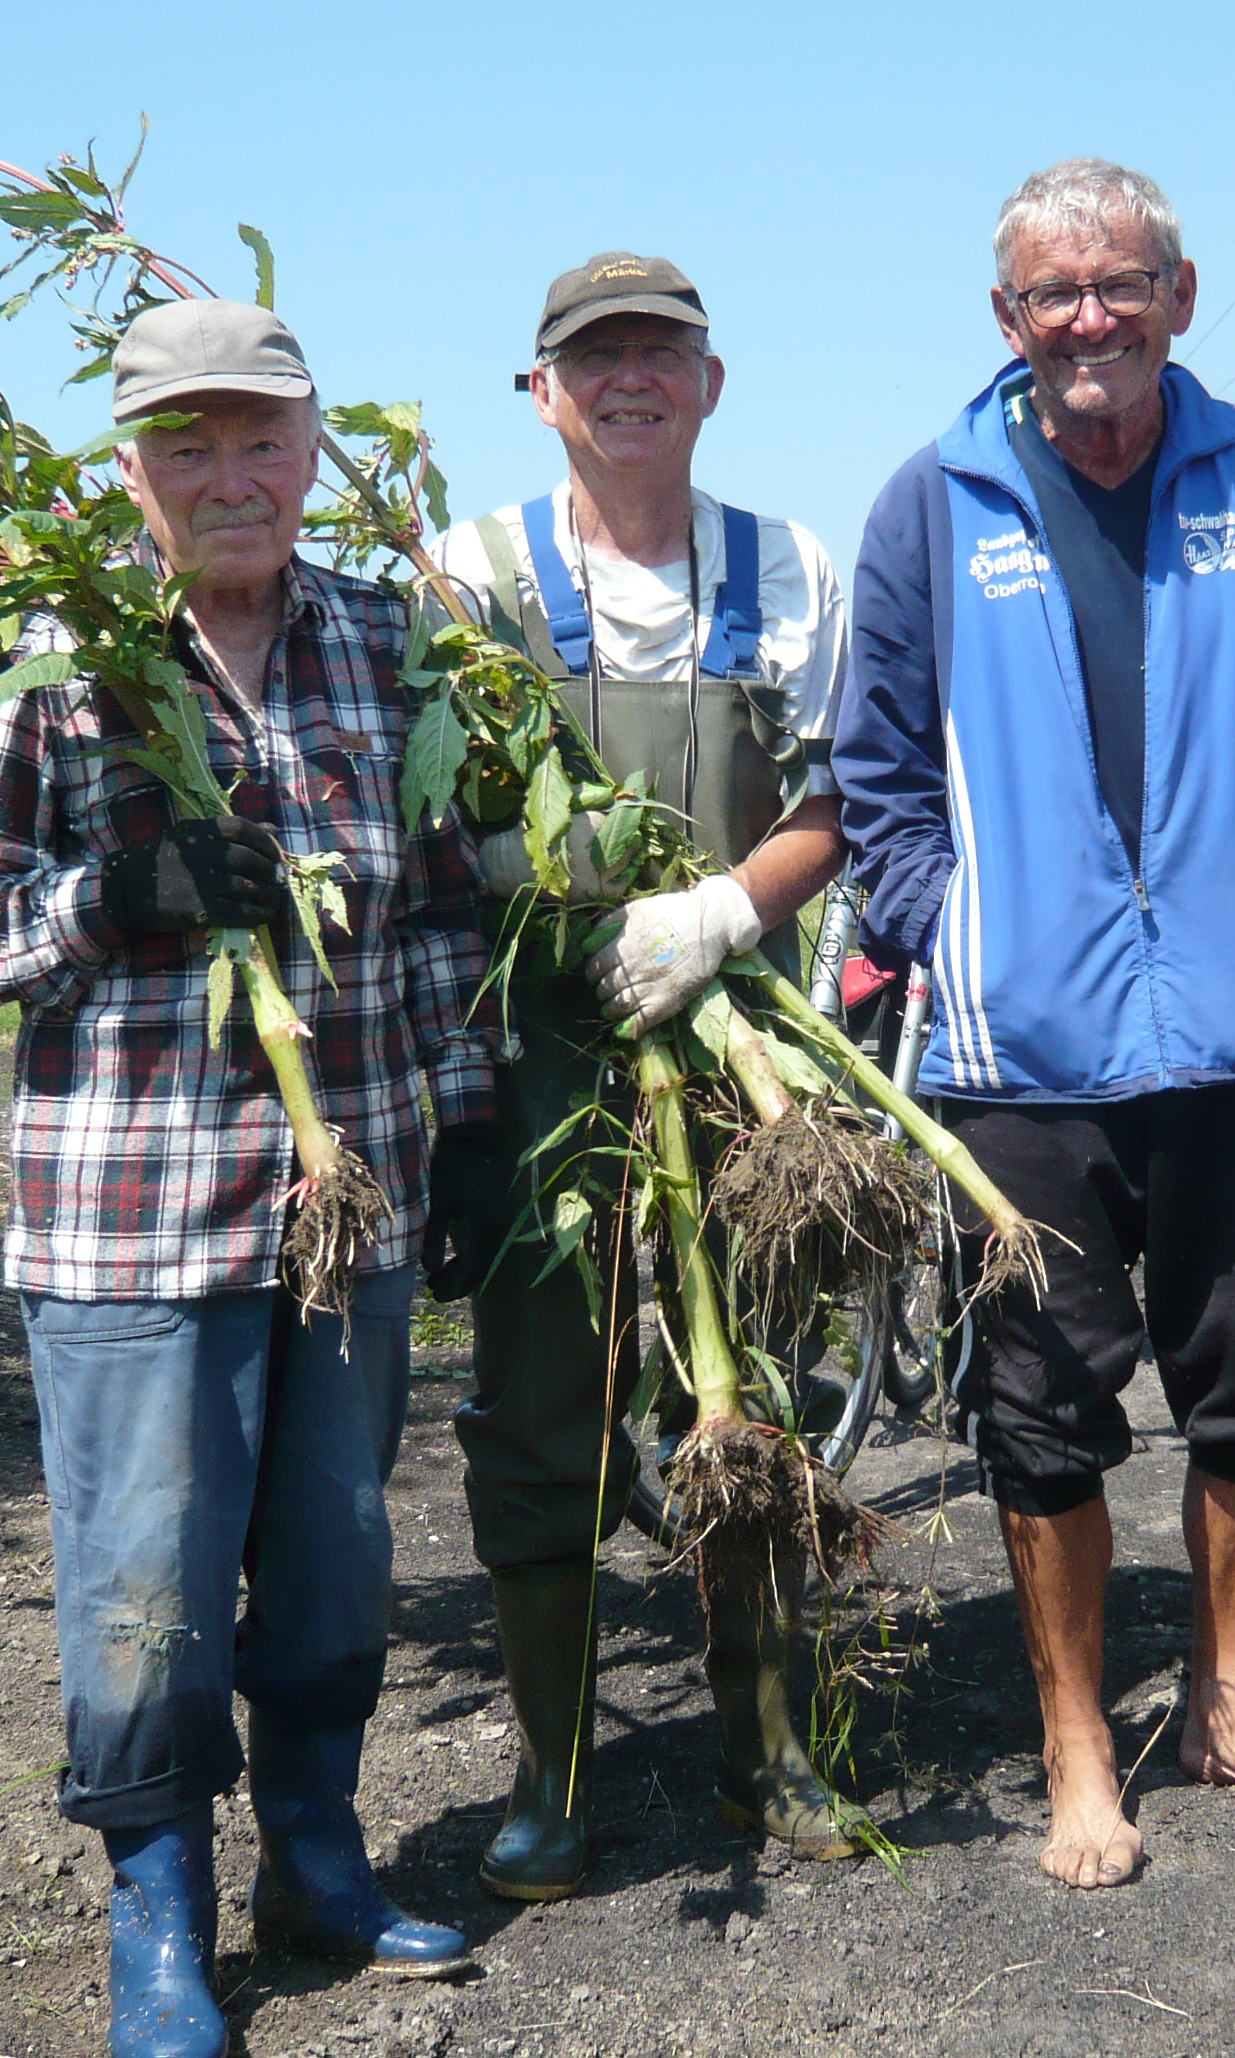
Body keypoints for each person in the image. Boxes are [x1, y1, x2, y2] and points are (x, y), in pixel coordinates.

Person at [0, 301, 488, 2058]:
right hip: (129, 1221)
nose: (228, 478)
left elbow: (439, 912)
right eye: (186, 446)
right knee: (148, 1584)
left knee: (333, 1564)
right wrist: (116, 901)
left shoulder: (387, 645)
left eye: (258, 440)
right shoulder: (50, 660)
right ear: (129, 468)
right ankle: (152, 1902)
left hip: (344, 1208)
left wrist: (452, 1122)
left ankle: (313, 1849)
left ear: (315, 451)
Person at [835, 160, 1235, 1890]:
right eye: (1050, 295)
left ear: (1179, 291)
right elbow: (872, 777)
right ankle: (1077, 1736)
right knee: (1040, 1401)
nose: (1088, 318)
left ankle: (1227, 1708)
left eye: (1121, 284)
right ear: (1004, 321)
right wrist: (962, 932)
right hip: (1023, 1060)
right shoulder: (930, 502)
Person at [423, 253, 854, 1898]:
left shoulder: (788, 568)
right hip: (544, 1070)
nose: (627, 380)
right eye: (591, 358)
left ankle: (768, 1739)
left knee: (749, 1390)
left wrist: (726, 910)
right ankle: (551, 1771)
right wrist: (551, 899)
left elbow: (844, 791)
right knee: (539, 1416)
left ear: (710, 382)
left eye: (659, 353)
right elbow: (434, 811)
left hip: (744, 1058)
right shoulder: (469, 576)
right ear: (543, 392)